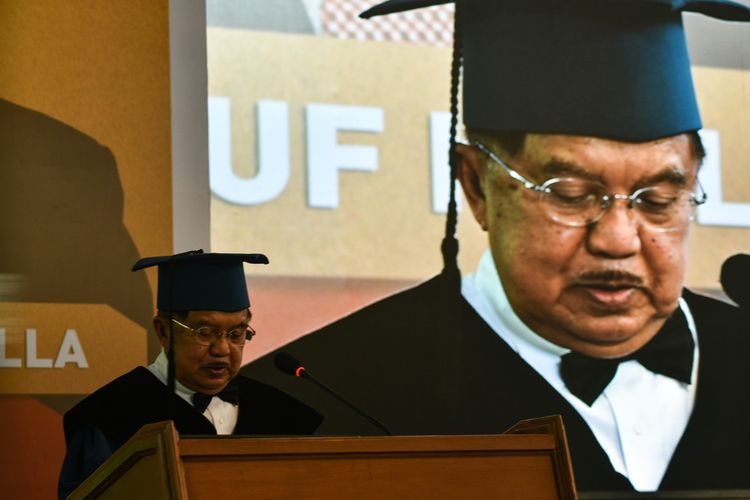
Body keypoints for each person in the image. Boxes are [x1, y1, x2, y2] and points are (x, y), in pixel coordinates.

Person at [241, 0, 750, 494]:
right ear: (476, 185)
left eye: (658, 200)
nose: (618, 239)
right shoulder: (322, 394)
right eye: (569, 195)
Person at [58, 251, 322, 498]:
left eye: (236, 334)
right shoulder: (110, 416)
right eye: (205, 332)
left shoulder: (280, 413)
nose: (222, 349)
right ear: (163, 331)